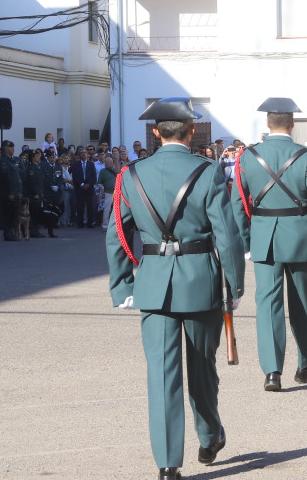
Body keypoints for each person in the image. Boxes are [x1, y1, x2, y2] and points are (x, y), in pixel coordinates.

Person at [106, 97, 245, 480]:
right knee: (203, 367)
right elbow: (228, 235)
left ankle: (168, 464)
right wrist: (234, 283)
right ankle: (209, 434)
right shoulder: (209, 171)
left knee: (162, 375)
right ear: (190, 131)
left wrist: (122, 287)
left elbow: (117, 235)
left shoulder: (131, 175)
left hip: (152, 284)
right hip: (200, 278)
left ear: (155, 132)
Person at [232, 97, 307, 392]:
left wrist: (246, 240)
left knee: (268, 304)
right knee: (302, 302)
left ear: (267, 123)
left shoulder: (248, 157)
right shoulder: (305, 157)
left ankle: (272, 371)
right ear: (292, 124)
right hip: (300, 234)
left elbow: (238, 203)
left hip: (263, 236)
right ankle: (306, 361)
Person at [0, 140, 25, 241]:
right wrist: (8, 192)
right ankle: (7, 232)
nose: (13, 149)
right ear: (6, 149)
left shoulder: (14, 160)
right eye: (11, 147)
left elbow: (19, 178)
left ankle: (12, 231)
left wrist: (19, 191)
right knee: (6, 212)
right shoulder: (0, 161)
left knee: (14, 212)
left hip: (15, 192)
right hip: (5, 193)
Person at [70, 148, 98, 228]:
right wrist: (81, 184)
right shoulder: (75, 164)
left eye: (85, 153)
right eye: (81, 153)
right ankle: (80, 223)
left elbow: (94, 177)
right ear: (79, 155)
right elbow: (74, 177)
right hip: (79, 188)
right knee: (80, 206)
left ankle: (90, 223)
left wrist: (88, 184)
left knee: (90, 206)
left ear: (87, 154)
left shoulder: (91, 164)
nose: (83, 154)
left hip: (89, 188)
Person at [98, 156, 118, 231]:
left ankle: (116, 225)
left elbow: (120, 176)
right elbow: (100, 182)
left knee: (116, 210)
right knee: (107, 209)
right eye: (108, 162)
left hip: (116, 192)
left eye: (111, 162)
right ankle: (105, 225)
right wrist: (102, 191)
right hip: (108, 192)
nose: (110, 163)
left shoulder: (116, 170)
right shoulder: (102, 171)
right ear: (105, 163)